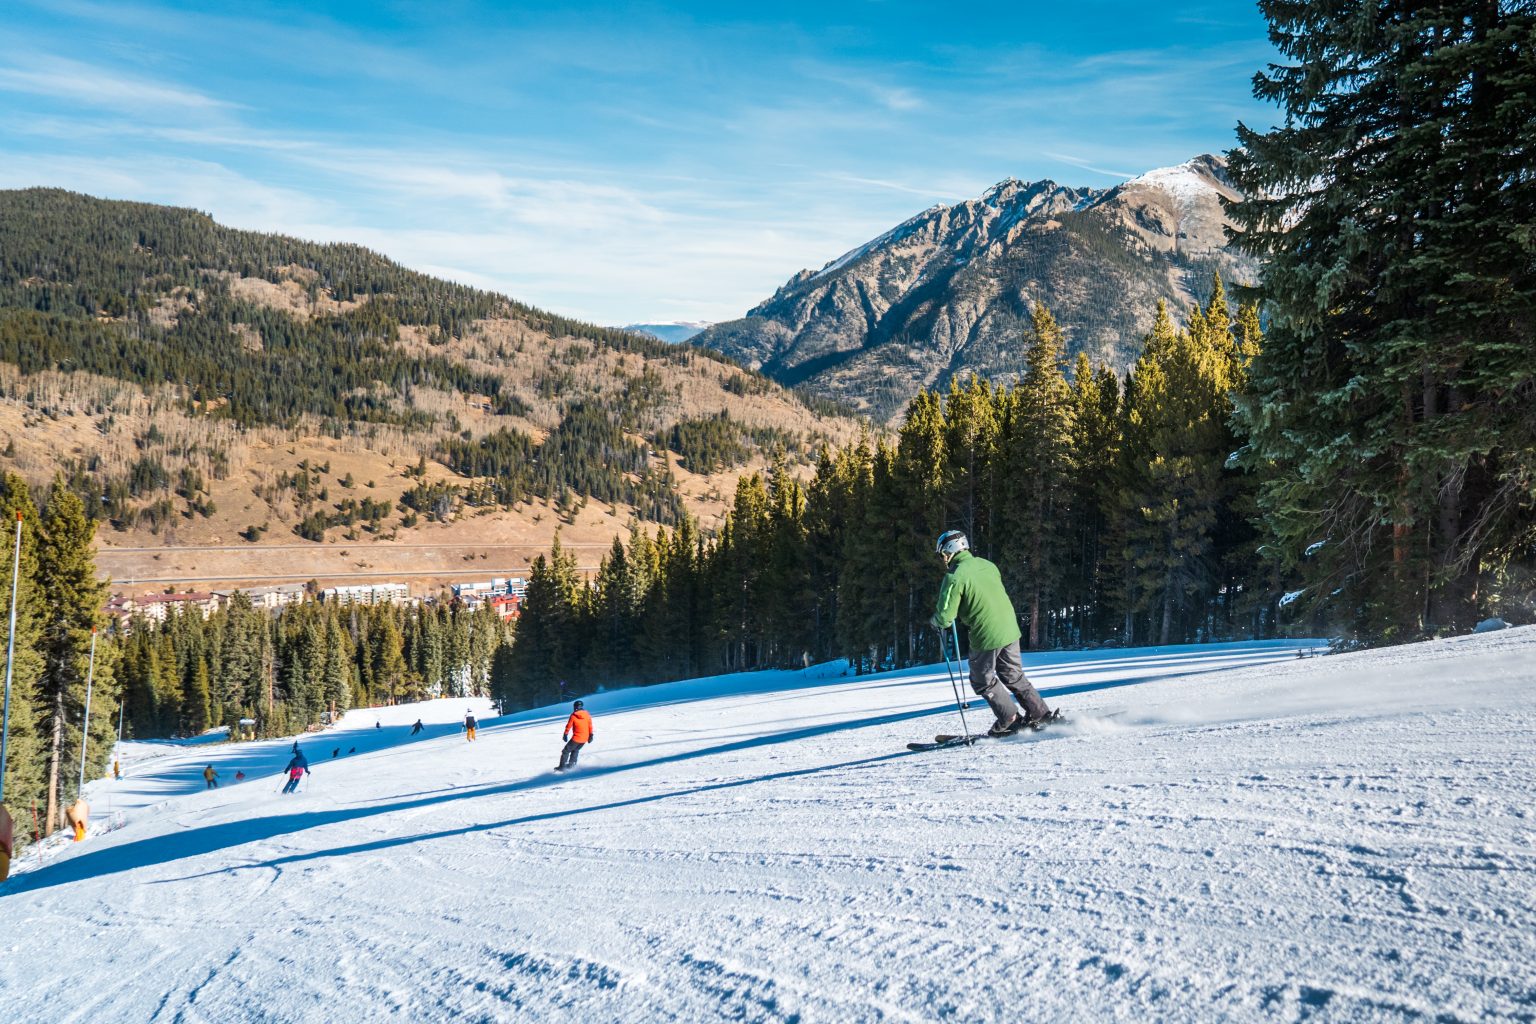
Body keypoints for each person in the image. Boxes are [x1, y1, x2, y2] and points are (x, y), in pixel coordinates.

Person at [930, 530, 1059, 736]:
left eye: (943, 554)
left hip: (986, 633)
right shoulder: (988, 565)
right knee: (1013, 675)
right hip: (1009, 627)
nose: (943, 558)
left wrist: (936, 621)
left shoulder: (955, 576)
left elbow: (945, 616)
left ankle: (1009, 719)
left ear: (950, 551)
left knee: (981, 679)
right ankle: (1041, 714)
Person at [556, 700, 593, 771]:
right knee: (575, 750)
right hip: (585, 738)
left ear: (575, 707)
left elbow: (569, 726)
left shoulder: (573, 715)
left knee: (565, 751)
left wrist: (565, 734)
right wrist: (591, 735)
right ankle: (571, 765)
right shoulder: (587, 714)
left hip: (577, 738)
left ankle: (562, 767)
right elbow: (590, 725)